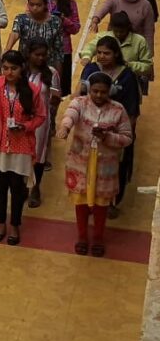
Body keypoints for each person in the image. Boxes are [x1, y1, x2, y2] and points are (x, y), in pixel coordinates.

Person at [0, 50, 46, 246]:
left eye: (13, 68)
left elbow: (40, 117)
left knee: (18, 188)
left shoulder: (32, 90)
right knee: (0, 187)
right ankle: (1, 223)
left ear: (22, 69)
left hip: (21, 146)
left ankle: (15, 224)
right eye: (5, 68)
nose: (9, 72)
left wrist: (26, 126)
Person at [57, 72, 133, 257]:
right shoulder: (80, 103)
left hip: (105, 166)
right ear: (88, 89)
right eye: (95, 91)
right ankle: (82, 236)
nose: (98, 95)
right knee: (80, 201)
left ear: (110, 92)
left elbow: (127, 138)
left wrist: (107, 137)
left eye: (103, 92)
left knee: (101, 204)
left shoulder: (118, 110)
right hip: (80, 163)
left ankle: (98, 237)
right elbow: (70, 115)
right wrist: (65, 127)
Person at [78, 36, 141, 216]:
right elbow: (80, 94)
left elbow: (131, 108)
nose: (102, 56)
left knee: (114, 168)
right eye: (99, 53)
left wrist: (127, 134)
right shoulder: (90, 69)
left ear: (116, 54)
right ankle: (89, 199)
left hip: (114, 130)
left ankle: (111, 202)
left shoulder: (127, 75)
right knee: (88, 165)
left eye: (107, 53)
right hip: (90, 129)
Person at [25, 40, 60, 208]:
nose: (40, 58)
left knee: (38, 155)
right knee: (21, 152)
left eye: (43, 55)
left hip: (41, 122)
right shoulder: (21, 71)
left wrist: (50, 116)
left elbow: (55, 99)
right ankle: (23, 184)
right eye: (36, 54)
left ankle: (36, 187)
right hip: (21, 118)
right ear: (29, 54)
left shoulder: (51, 73)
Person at [43, 0, 81, 98]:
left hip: (63, 50)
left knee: (58, 90)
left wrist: (64, 20)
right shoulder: (39, 0)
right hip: (42, 49)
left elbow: (76, 28)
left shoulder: (70, 3)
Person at [5, 0, 64, 70]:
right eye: (31, 5)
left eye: (38, 5)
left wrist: (58, 73)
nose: (35, 8)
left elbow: (58, 50)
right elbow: (15, 33)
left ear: (46, 5)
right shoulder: (21, 19)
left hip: (47, 66)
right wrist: (7, 49)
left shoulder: (55, 22)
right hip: (25, 66)